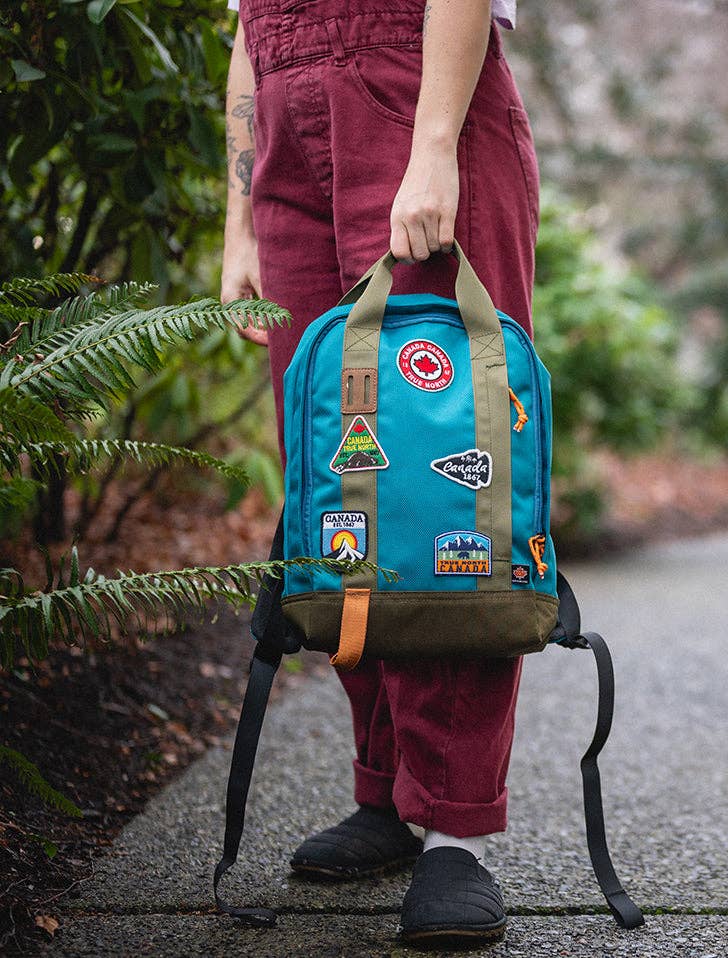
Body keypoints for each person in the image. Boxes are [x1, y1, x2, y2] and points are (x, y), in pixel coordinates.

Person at [220, 0, 537, 946]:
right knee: (338, 484)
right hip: (286, 138)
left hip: (413, 98)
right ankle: (388, 794)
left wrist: (435, 144)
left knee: (440, 487)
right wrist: (239, 220)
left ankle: (456, 829)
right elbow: (246, 31)